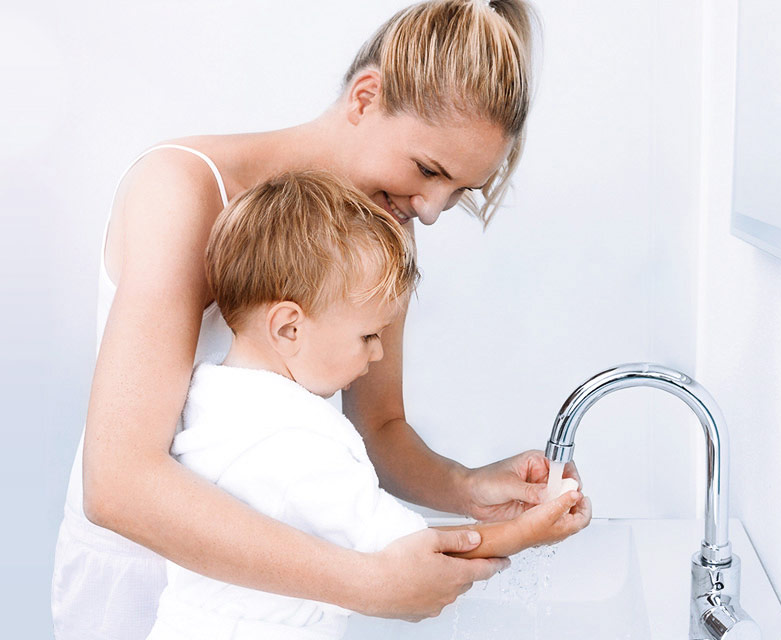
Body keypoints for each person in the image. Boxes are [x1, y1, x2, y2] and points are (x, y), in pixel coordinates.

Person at [51, 2, 591, 638]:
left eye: (459, 192)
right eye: (427, 171)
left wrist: (467, 487)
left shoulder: (382, 230)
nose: (432, 211)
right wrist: (363, 581)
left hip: (286, 590)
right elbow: (119, 484)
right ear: (366, 97)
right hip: (145, 578)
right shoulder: (185, 190)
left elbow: (379, 429)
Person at [145, 170, 587, 640]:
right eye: (368, 335)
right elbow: (417, 558)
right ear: (289, 329)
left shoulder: (209, 400)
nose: (377, 353)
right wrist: (531, 532)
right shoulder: (300, 440)